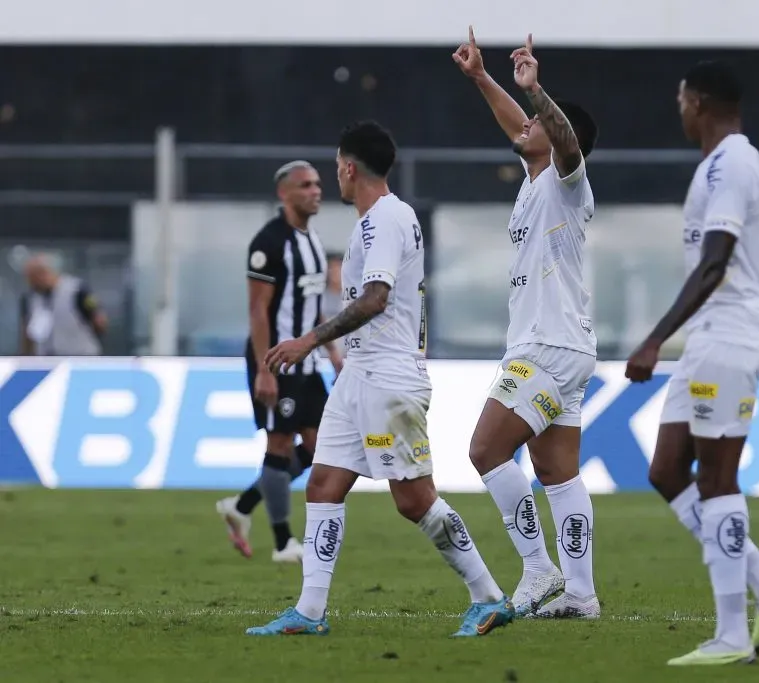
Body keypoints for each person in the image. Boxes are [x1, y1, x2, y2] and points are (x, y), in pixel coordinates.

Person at [246, 120, 514, 638]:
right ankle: (310, 611)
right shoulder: (373, 221)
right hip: (360, 374)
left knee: (413, 499)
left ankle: (488, 596)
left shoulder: (386, 219)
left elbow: (375, 298)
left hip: (389, 378)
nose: (334, 179)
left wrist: (309, 341)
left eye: (335, 168)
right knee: (323, 485)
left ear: (349, 168)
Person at [625, 61, 759, 667]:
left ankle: (732, 635)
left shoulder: (732, 163)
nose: (679, 110)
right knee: (667, 470)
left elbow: (715, 262)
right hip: (711, 337)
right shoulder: (718, 164)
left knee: (717, 481)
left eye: (681, 100)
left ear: (698, 101)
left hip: (729, 335)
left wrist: (654, 339)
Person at [453, 28, 601, 619]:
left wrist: (538, 91)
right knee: (557, 473)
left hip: (547, 347)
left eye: (536, 120)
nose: (527, 124)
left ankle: (539, 570)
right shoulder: (535, 180)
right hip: (564, 345)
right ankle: (582, 594)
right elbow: (522, 126)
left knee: (486, 450)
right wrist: (481, 78)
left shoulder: (569, 182)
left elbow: (559, 136)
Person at [215, 160, 341, 562]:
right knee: (280, 444)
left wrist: (332, 351)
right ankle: (284, 542)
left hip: (308, 362)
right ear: (284, 193)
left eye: (317, 184)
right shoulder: (268, 243)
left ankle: (242, 506)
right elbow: (257, 310)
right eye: (305, 185)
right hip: (276, 360)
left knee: (321, 448)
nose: (316, 191)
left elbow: (313, 304)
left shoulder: (313, 241)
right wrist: (265, 370)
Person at [19, 254, 106, 356]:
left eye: (32, 278)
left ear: (43, 274)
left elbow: (99, 320)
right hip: (46, 358)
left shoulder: (77, 290)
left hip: (80, 356)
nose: (30, 283)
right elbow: (27, 332)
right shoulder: (31, 298)